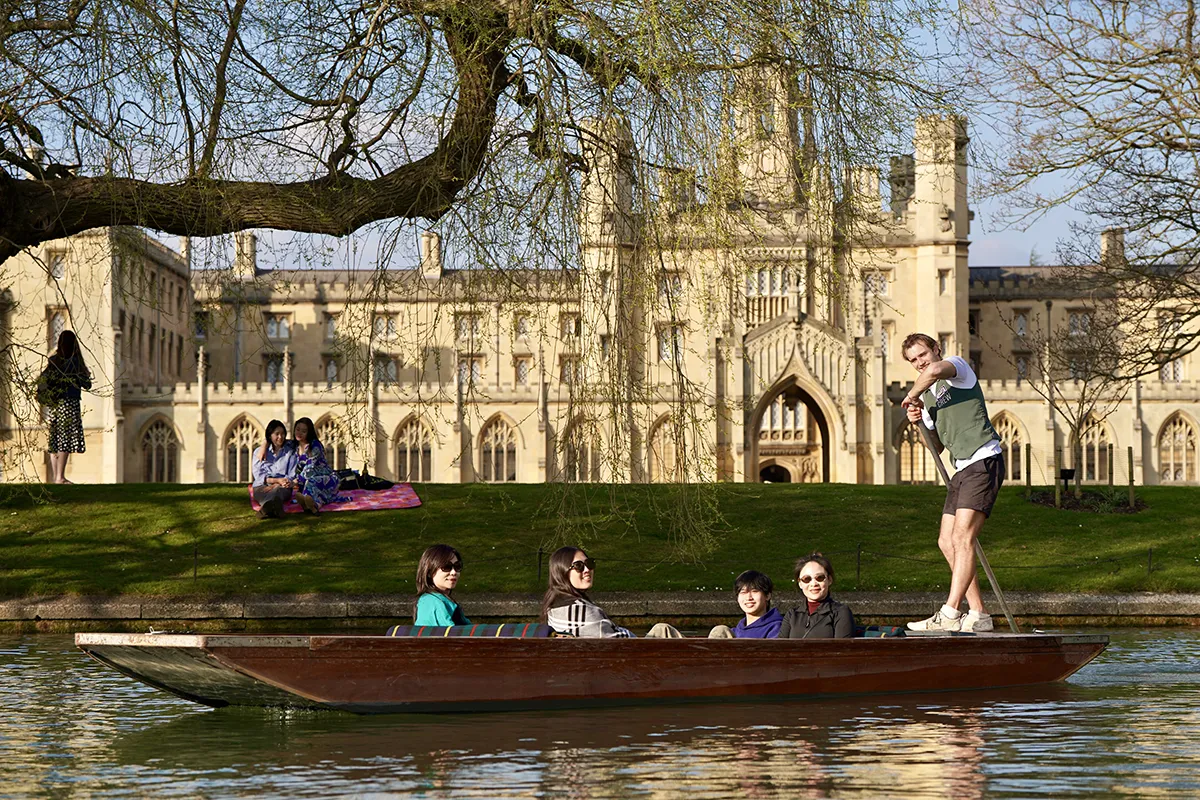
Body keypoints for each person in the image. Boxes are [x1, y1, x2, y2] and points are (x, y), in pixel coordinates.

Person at [901, 333, 1003, 633]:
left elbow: (934, 371)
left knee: (962, 538)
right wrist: (918, 422)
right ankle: (979, 613)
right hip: (961, 469)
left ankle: (950, 611)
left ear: (937, 349)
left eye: (923, 354)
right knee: (946, 541)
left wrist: (911, 394)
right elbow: (937, 446)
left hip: (983, 459)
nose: (920, 363)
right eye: (913, 360)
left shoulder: (957, 368)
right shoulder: (928, 398)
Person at [542, 546, 683, 638]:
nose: (587, 570)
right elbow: (618, 643)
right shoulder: (580, 610)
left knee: (661, 629)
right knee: (663, 630)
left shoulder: (553, 608)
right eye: (578, 566)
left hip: (596, 664)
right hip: (624, 664)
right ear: (562, 572)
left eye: (589, 564)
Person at [38, 330, 92, 484]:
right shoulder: (75, 362)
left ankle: (57, 476)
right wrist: (85, 375)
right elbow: (87, 384)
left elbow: (44, 379)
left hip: (55, 405)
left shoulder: (54, 361)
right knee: (65, 439)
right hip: (69, 403)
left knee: (55, 439)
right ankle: (60, 477)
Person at [778, 553, 855, 639]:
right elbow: (779, 646)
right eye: (806, 579)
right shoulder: (792, 615)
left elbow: (842, 646)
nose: (814, 584)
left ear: (829, 580)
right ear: (800, 583)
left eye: (820, 578)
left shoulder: (840, 612)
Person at [709, 570, 783, 639]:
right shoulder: (732, 633)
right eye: (743, 592)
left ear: (767, 596)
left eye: (754, 591)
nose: (749, 597)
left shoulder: (777, 628)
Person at [290, 417, 340, 513]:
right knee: (309, 483)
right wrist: (264, 444)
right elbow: (277, 440)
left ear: (309, 433)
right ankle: (310, 505)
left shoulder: (315, 446)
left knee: (311, 482)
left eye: (304, 431)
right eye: (297, 429)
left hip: (325, 478)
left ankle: (313, 505)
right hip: (305, 480)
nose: (299, 433)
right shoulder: (294, 445)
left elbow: (310, 468)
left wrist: (295, 481)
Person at [413, 544, 470, 626]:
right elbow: (448, 632)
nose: (454, 572)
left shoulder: (437, 600)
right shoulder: (432, 602)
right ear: (429, 572)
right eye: (447, 567)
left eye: (457, 566)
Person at [251, 419, 297, 518]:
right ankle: (276, 508)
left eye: (283, 434)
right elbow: (258, 476)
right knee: (267, 493)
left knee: (277, 492)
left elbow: (291, 474)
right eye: (277, 434)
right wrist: (275, 480)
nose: (280, 437)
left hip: (282, 486)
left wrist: (279, 484)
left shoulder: (290, 452)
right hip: (262, 485)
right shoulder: (259, 452)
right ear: (270, 436)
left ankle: (266, 509)